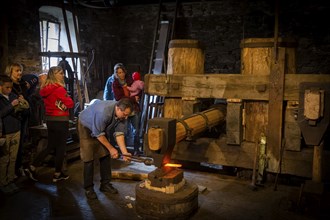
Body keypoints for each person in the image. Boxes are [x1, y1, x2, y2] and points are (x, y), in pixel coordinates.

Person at [77, 97, 133, 200]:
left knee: (105, 154)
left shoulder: (122, 115)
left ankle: (105, 184)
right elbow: (98, 134)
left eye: (127, 115)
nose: (126, 118)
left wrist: (124, 152)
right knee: (88, 157)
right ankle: (88, 188)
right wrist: (112, 149)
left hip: (100, 128)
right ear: (118, 108)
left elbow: (119, 134)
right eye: (125, 114)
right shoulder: (103, 112)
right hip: (86, 126)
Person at [25, 66, 74, 182]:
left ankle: (32, 166)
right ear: (54, 75)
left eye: (63, 73)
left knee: (50, 145)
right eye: (60, 73)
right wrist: (68, 98)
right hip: (61, 120)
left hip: (50, 121)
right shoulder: (60, 89)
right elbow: (70, 104)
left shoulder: (45, 89)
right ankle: (57, 174)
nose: (63, 75)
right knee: (61, 148)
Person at [0, 75, 25, 194]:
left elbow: (23, 112)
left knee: (13, 157)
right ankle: (3, 183)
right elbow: (1, 114)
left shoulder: (13, 96)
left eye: (11, 87)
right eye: (7, 87)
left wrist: (23, 102)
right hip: (5, 133)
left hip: (16, 130)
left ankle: (10, 180)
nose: (9, 90)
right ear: (0, 87)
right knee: (4, 159)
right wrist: (11, 105)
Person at [5, 63, 30, 177]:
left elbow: (26, 98)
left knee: (20, 143)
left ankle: (17, 167)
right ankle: (10, 171)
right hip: (12, 117)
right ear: (10, 72)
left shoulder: (22, 84)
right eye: (17, 70)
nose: (20, 73)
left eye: (20, 70)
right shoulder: (7, 86)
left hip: (23, 116)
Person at [112, 63, 142, 155]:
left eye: (122, 72)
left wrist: (137, 97)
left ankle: (136, 149)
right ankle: (124, 150)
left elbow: (137, 91)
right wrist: (133, 98)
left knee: (136, 130)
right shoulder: (115, 84)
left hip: (133, 109)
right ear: (116, 74)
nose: (121, 74)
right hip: (123, 109)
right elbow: (119, 98)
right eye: (119, 73)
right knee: (122, 130)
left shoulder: (130, 80)